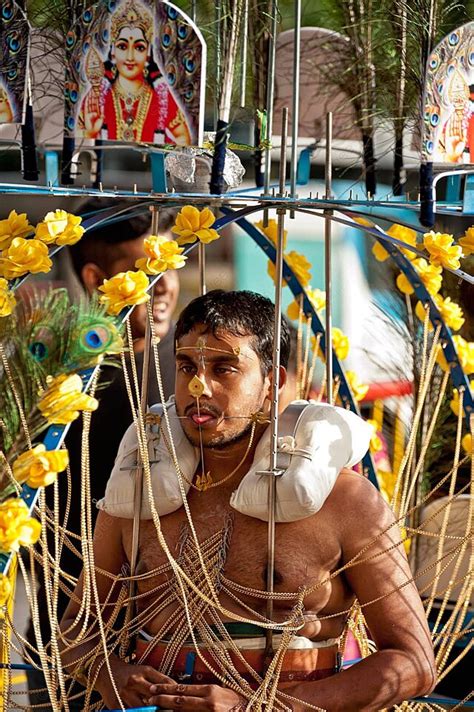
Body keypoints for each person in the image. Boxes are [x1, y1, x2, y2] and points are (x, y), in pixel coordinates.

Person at [61, 290, 436, 711]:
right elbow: (76, 633)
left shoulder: (345, 501)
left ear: (272, 382)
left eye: (225, 368)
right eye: (187, 367)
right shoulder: (140, 487)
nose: (199, 387)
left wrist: (256, 708)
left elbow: (414, 663)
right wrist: (108, 672)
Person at [25, 201, 180, 710]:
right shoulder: (54, 380)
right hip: (68, 612)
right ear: (95, 278)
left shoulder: (189, 369)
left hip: (167, 616)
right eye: (143, 271)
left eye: (168, 268)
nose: (162, 287)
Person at [78, 0, 191, 144]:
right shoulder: (96, 98)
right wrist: (90, 133)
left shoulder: (161, 98)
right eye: (122, 46)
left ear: (148, 52)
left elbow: (184, 138)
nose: (130, 57)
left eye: (139, 48)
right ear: (113, 51)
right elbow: (74, 144)